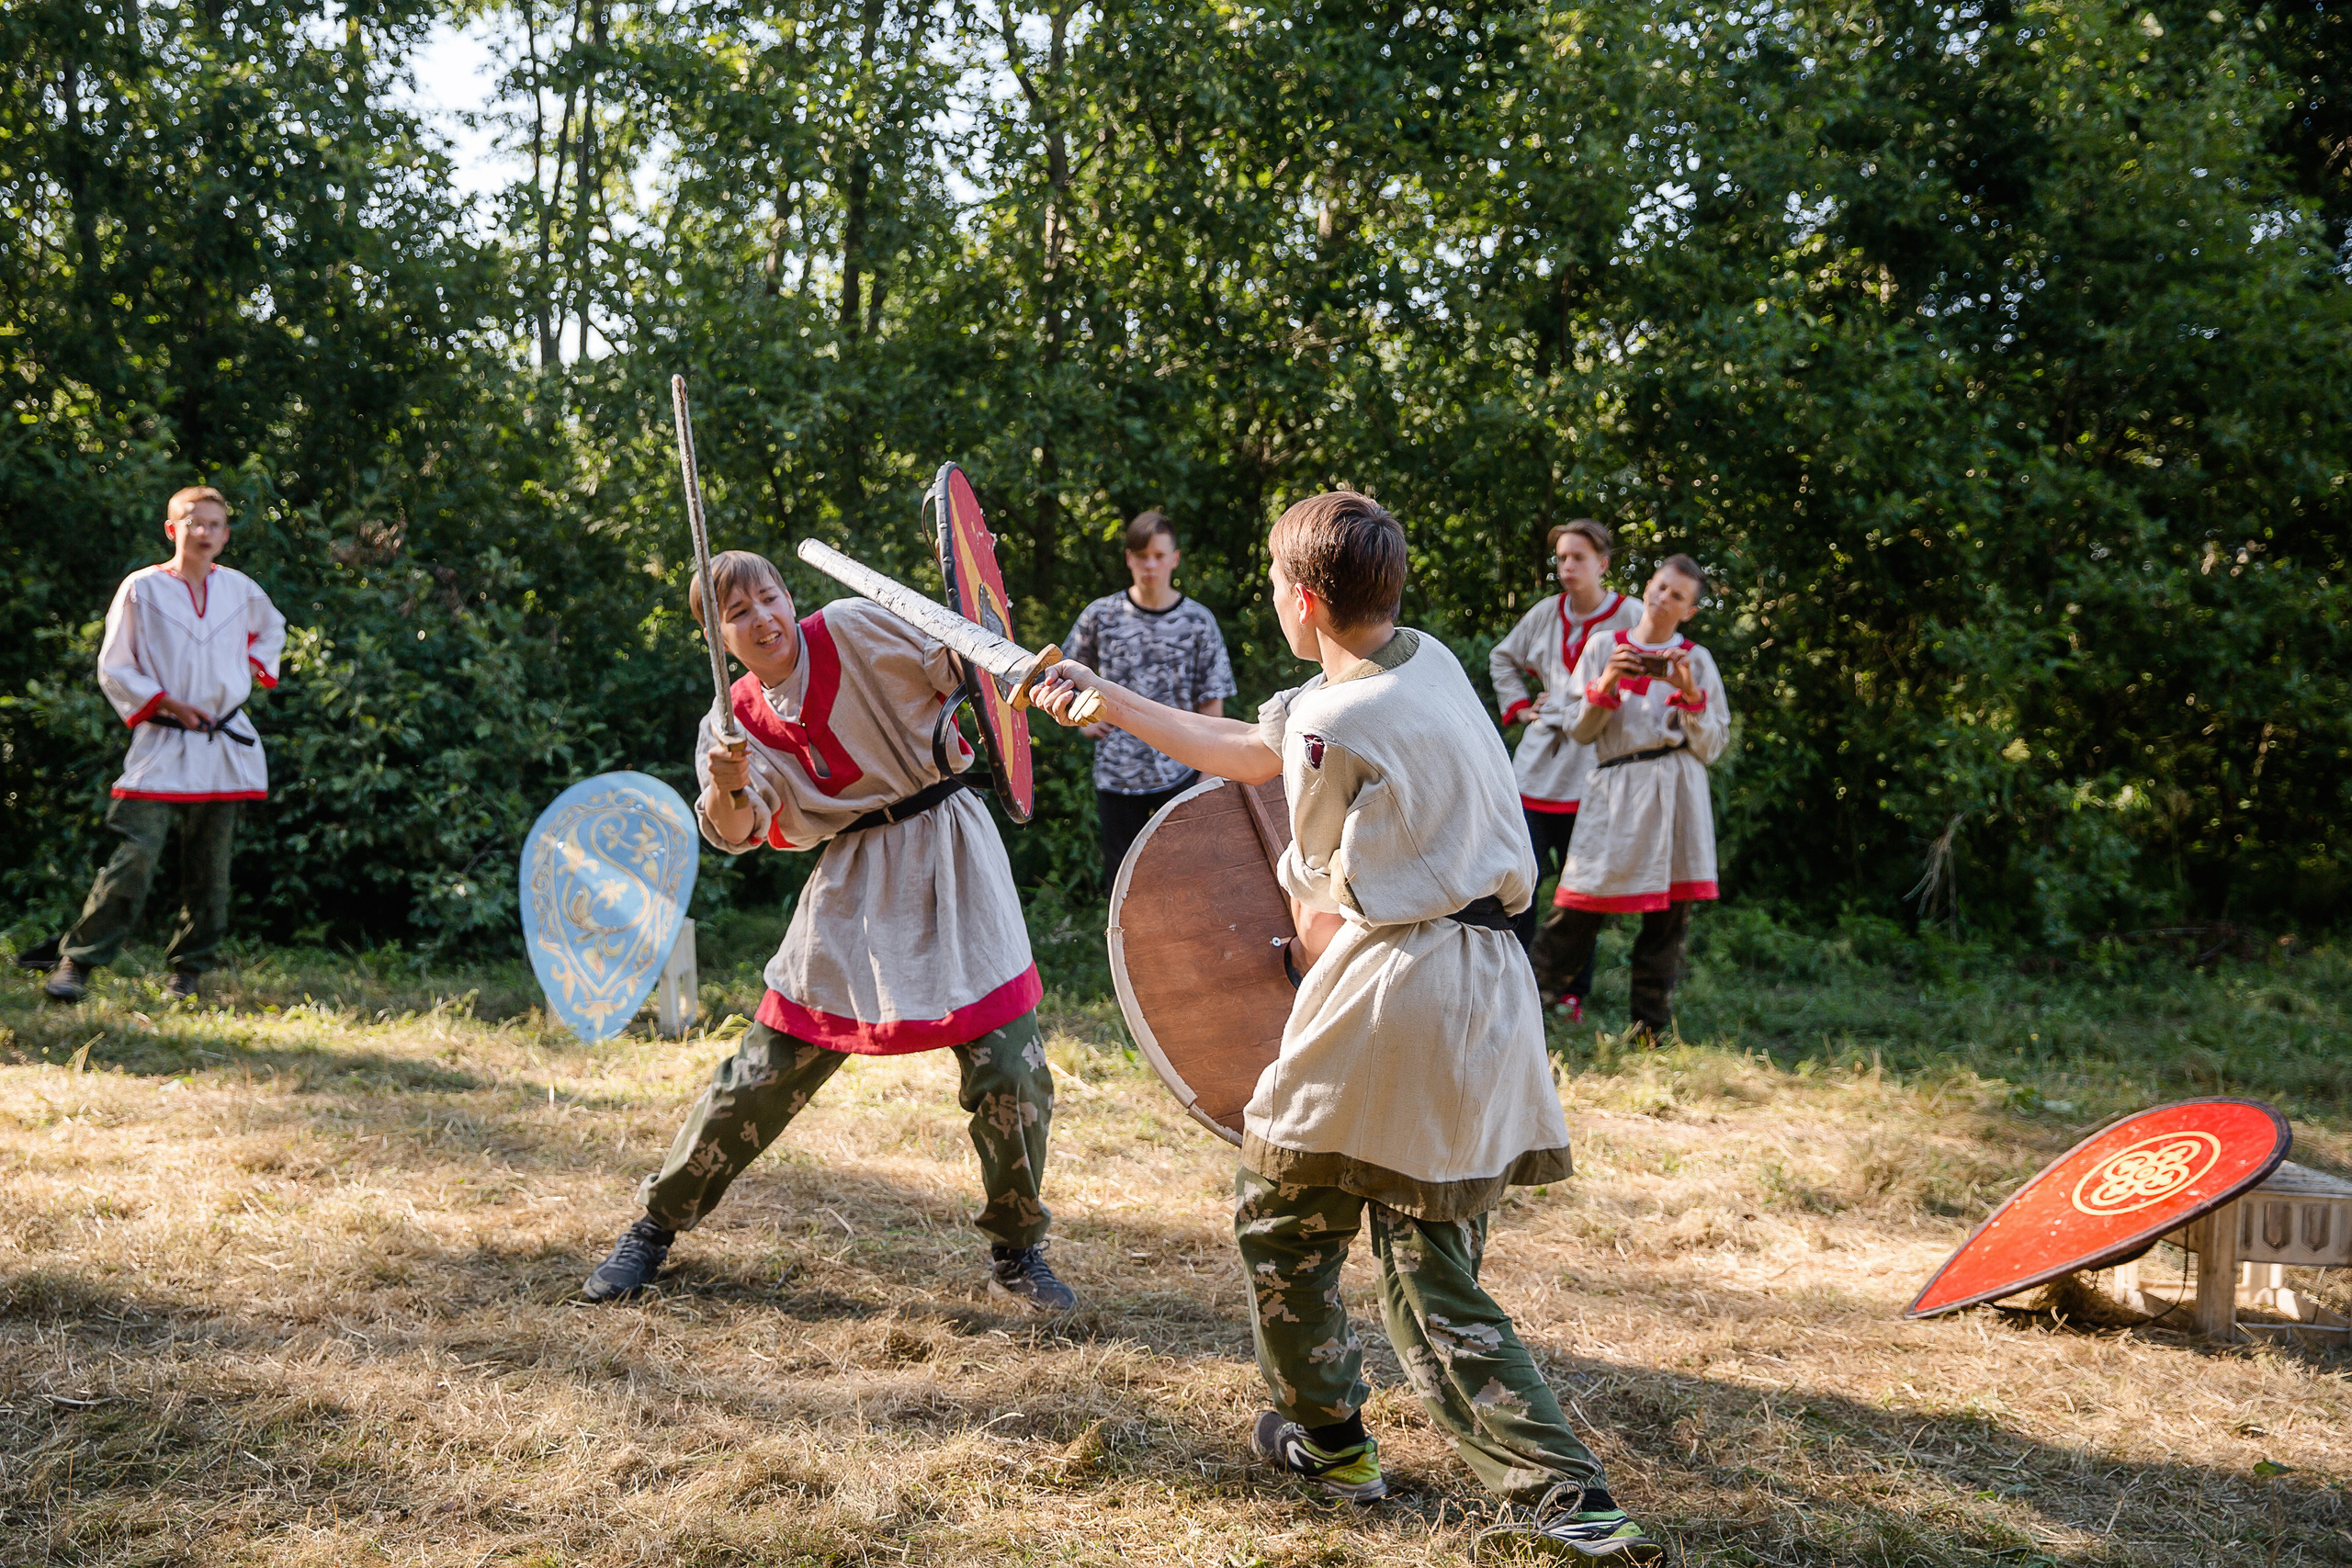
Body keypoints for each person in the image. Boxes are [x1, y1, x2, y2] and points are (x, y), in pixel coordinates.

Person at [1033, 494, 1665, 1562]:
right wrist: (1112, 699)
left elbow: (1316, 901)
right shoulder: (1422, 663)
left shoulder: (1337, 724)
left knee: (1286, 1213)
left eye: (1279, 586)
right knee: (1431, 1261)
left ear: (1308, 600)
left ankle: (1337, 1439)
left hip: (1398, 989)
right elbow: (1253, 745)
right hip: (1490, 989)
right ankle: (1565, 1500)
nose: (1271, 601)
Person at [581, 551, 1075, 1313]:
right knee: (763, 1072)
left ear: (789, 596)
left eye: (769, 597)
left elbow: (960, 666)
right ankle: (654, 1226)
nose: (762, 618)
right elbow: (739, 830)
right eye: (738, 613)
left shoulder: (853, 625)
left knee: (1011, 1066)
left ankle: (1017, 1249)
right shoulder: (729, 719)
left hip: (952, 850)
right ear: (717, 635)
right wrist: (729, 783)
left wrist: (975, 602)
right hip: (854, 880)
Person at [42, 486, 286, 1006]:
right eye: (195, 522)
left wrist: (248, 670)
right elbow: (115, 663)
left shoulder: (241, 590)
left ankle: (188, 972)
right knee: (134, 856)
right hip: (162, 744)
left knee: (210, 869)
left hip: (223, 748)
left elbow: (272, 629)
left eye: (217, 524)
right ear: (173, 529)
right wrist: (170, 704)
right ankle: (77, 963)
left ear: (225, 534)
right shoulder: (143, 589)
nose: (206, 533)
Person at [1544, 555, 1730, 1045]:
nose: (1665, 599)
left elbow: (1711, 746)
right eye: (1661, 587)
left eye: (1678, 596)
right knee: (1579, 904)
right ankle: (1529, 1000)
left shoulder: (1698, 659)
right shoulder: (1603, 646)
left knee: (1668, 917)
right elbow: (1579, 730)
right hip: (1617, 787)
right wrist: (1606, 682)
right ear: (1648, 586)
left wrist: (1689, 692)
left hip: (1677, 791)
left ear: (1689, 610)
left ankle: (1651, 1029)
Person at [1488, 518, 1641, 1016]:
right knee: (1522, 880)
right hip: (1535, 767)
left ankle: (1573, 990)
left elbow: (1655, 668)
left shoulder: (1631, 614)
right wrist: (1521, 709)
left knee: (1582, 887)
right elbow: (1502, 658)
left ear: (1604, 563)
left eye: (1578, 557)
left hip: (1595, 767)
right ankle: (1521, 982)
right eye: (1561, 557)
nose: (1567, 567)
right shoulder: (1545, 614)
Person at [1063, 511, 1236, 887]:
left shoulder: (1197, 621)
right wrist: (1083, 721)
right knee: (1125, 890)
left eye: (1159, 555)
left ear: (1175, 558)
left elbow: (1212, 706)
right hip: (1118, 777)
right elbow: (1062, 677)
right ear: (1129, 559)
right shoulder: (1101, 616)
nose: (1150, 565)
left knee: (1189, 885)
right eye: (1142, 555)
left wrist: (1205, 783)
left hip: (1182, 773)